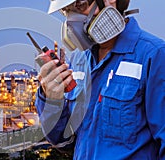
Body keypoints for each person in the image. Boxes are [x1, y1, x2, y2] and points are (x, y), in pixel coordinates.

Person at [35, 0, 165, 159]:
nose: (71, 20)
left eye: (80, 5)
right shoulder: (78, 61)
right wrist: (52, 100)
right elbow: (63, 141)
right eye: (66, 11)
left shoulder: (154, 55)